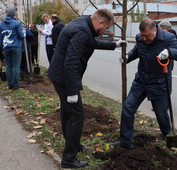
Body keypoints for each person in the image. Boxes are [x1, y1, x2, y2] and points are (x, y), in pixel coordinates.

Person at [47, 8, 126, 168]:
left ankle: (72, 144)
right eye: (106, 28)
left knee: (68, 111)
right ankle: (69, 158)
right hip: (64, 77)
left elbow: (92, 42)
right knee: (77, 113)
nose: (105, 31)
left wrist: (114, 45)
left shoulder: (83, 23)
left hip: (59, 74)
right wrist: (71, 91)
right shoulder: (82, 30)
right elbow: (71, 62)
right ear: (101, 22)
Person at [110, 19, 177, 149]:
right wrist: (128, 57)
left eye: (147, 35)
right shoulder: (140, 38)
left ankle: (167, 136)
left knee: (161, 115)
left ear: (155, 30)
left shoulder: (168, 38)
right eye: (142, 35)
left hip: (159, 83)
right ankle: (125, 141)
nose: (144, 38)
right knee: (128, 108)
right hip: (141, 81)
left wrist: (169, 52)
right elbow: (137, 51)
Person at [0, 8, 26, 89]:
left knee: (8, 66)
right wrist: (24, 33)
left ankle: (10, 84)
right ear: (14, 15)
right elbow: (21, 36)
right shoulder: (16, 23)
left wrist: (2, 48)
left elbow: (0, 38)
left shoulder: (1, 24)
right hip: (16, 46)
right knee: (16, 66)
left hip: (6, 47)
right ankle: (16, 84)